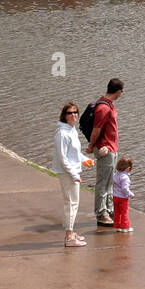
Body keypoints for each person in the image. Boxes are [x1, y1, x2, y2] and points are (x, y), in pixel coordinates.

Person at [86, 78, 124, 227]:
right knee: (103, 182)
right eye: (121, 92)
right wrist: (91, 146)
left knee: (110, 182)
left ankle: (109, 209)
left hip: (111, 149)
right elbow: (96, 130)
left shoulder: (109, 105)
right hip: (105, 150)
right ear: (118, 91)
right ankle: (101, 213)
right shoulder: (103, 108)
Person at [53, 102, 87, 247]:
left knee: (74, 203)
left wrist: (86, 160)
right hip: (67, 173)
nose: (73, 115)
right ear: (64, 116)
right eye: (70, 113)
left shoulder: (72, 130)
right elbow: (63, 158)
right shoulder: (62, 133)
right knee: (71, 204)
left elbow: (75, 154)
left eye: (75, 112)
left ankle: (71, 233)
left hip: (73, 170)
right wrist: (74, 174)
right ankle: (68, 237)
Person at [113, 156, 135, 233]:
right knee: (124, 212)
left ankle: (118, 226)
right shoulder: (125, 177)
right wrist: (130, 194)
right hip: (122, 198)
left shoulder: (115, 175)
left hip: (115, 197)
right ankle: (125, 227)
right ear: (128, 168)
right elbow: (125, 188)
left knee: (117, 212)